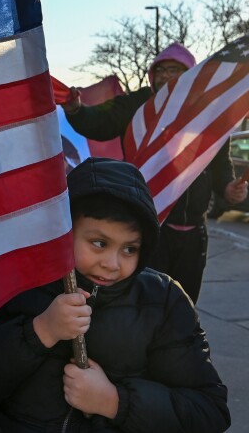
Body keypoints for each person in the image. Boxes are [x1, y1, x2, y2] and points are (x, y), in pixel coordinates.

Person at [0, 157, 230, 432]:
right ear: (64, 231)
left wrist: (115, 402)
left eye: (129, 249)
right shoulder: (20, 281)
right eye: (99, 243)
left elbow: (209, 412)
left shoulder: (162, 300)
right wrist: (39, 332)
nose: (112, 263)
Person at [62, 43, 248, 303]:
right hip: (149, 226)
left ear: (189, 75)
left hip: (194, 233)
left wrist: (229, 188)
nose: (164, 75)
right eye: (159, 70)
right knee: (144, 300)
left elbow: (220, 167)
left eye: (173, 70)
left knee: (183, 301)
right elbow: (102, 122)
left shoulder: (208, 113)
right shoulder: (139, 104)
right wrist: (77, 111)